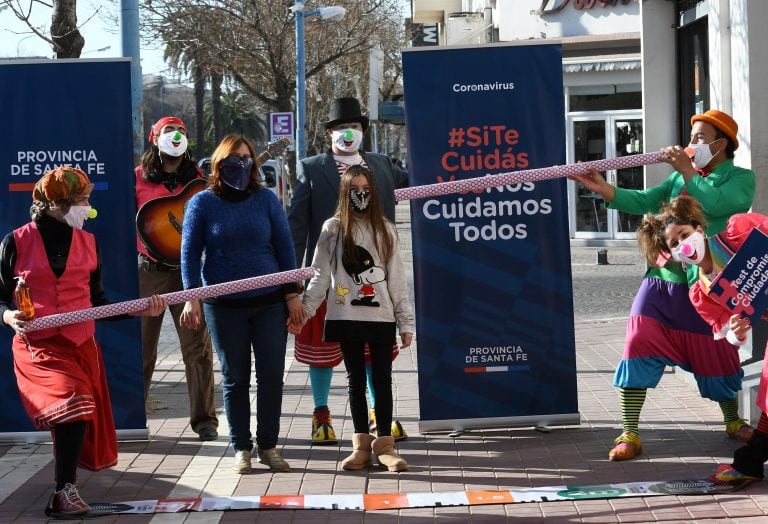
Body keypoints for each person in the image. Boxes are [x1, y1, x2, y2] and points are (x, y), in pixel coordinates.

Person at [570, 109, 756, 461]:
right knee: (638, 344)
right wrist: (604, 188)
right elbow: (644, 201)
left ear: (723, 143)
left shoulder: (741, 178)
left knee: (718, 353)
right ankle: (629, 432)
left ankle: (732, 421)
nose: (692, 144)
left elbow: (722, 204)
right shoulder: (678, 180)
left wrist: (687, 172)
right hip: (661, 283)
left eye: (701, 137)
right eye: (692, 137)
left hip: (707, 284)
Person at [0, 167, 166, 517]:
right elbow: (0, 297)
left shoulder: (89, 242)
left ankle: (63, 492)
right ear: (57, 203)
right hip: (39, 345)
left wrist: (142, 310)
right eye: (82, 200)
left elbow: (99, 304)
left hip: (82, 345)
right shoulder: (15, 241)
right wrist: (9, 316)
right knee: (74, 401)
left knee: (74, 412)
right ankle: (64, 492)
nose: (88, 207)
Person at [288, 97, 410, 444]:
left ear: (363, 132)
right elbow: (297, 226)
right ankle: (321, 414)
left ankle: (377, 413)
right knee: (322, 353)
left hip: (373, 279)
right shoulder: (311, 168)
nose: (348, 133)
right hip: (328, 278)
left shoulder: (382, 164)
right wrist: (293, 284)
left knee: (373, 353)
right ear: (329, 132)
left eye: (355, 127)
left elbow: (420, 178)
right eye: (342, 127)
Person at [180, 134, 304, 474]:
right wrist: (191, 296)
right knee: (235, 378)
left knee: (271, 376)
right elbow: (189, 254)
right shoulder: (202, 203)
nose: (241, 164)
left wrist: (291, 293)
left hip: (268, 304)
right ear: (219, 163)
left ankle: (268, 445)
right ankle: (241, 448)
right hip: (223, 306)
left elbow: (284, 248)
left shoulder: (266, 200)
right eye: (234, 158)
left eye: (247, 158)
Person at [636, 195, 768, 482]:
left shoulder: (739, 229)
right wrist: (737, 330)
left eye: (684, 234)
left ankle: (750, 462)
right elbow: (727, 335)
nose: (683, 244)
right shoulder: (701, 291)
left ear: (698, 228)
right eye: (674, 244)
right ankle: (750, 462)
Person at [135, 116, 219, 441]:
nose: (176, 136)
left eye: (182, 131)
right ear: (154, 138)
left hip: (189, 275)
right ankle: (135, 417)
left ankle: (205, 421)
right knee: (142, 350)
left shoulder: (199, 179)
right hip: (149, 271)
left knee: (198, 349)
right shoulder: (137, 179)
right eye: (170, 131)